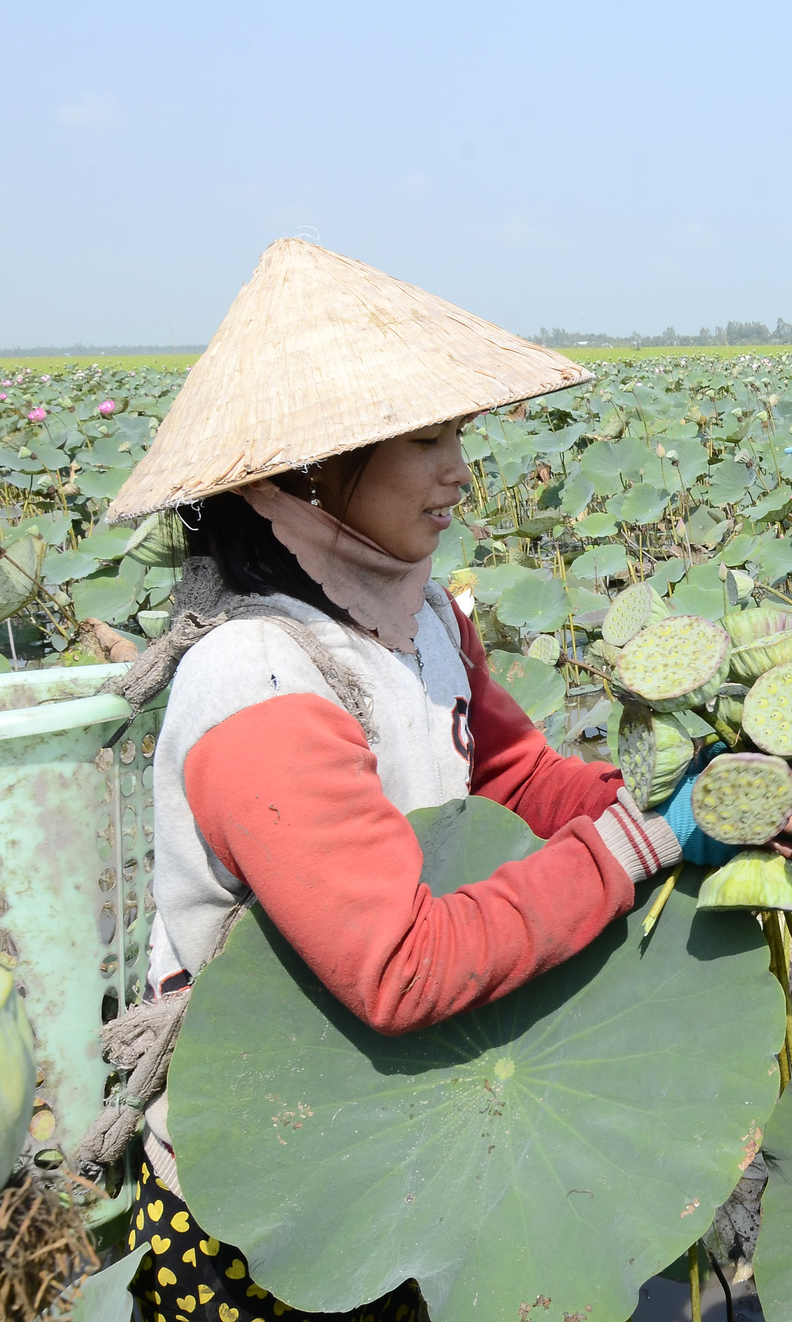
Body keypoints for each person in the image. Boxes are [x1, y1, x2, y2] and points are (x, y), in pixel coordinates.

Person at [96, 239, 712, 1320]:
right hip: (285, 1172)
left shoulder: (421, 617)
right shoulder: (260, 678)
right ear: (307, 470)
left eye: (458, 436)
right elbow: (398, 963)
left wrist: (657, 796)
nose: (458, 471)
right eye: (426, 439)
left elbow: (513, 777)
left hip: (421, 1109)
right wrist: (640, 847)